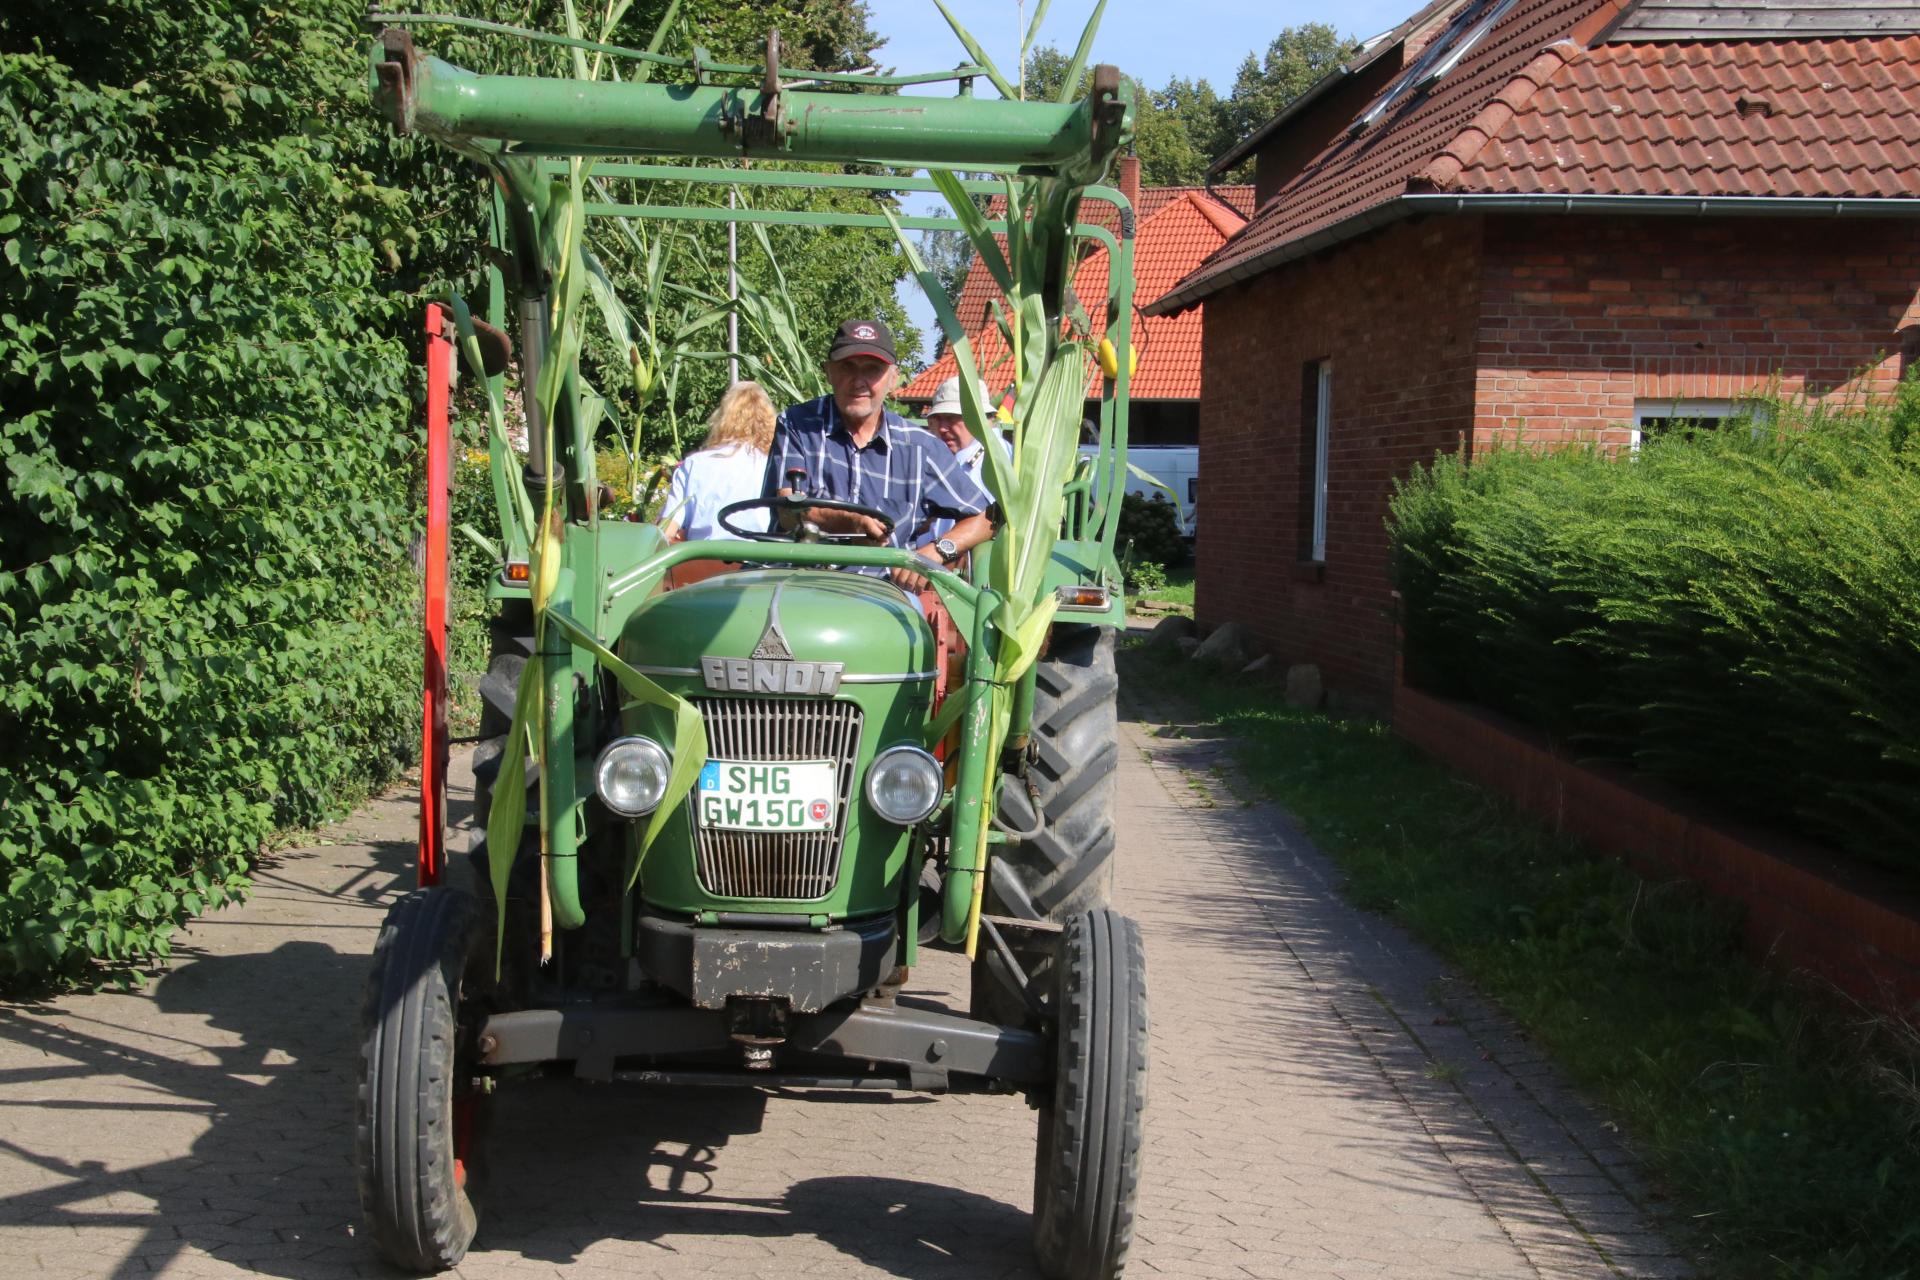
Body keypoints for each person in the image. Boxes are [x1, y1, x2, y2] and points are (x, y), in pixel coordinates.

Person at [764, 319, 994, 595]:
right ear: (828, 371)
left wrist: (935, 552)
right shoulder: (798, 424)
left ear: (893, 378)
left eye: (872, 370)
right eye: (847, 366)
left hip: (881, 591)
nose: (859, 382)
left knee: (913, 626)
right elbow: (788, 509)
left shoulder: (919, 447)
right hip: (797, 582)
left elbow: (986, 517)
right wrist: (849, 520)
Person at [658, 381, 777, 543]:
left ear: (723, 417)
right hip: (761, 562)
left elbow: (666, 530)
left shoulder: (694, 464)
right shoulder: (774, 465)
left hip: (703, 562)